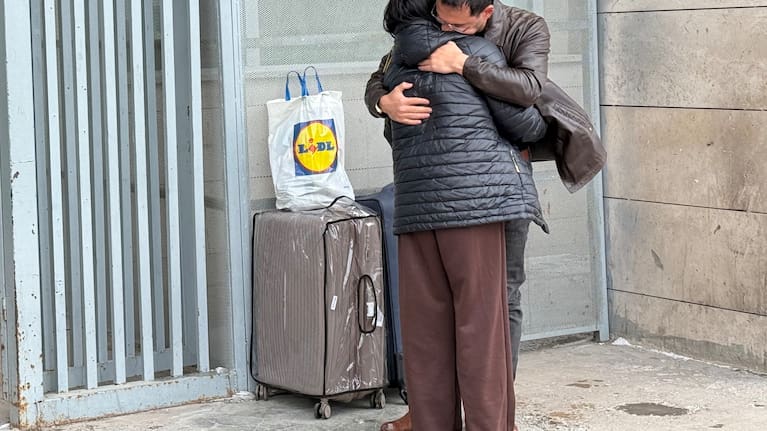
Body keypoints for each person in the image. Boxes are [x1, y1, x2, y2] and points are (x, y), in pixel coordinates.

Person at [366, 1, 552, 430]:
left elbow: (531, 86)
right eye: (439, 18)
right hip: (483, 194)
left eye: (456, 23)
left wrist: (464, 66)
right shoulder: (410, 49)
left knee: (476, 308)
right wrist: (383, 103)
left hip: (439, 197)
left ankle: (450, 416)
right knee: (482, 321)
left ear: (486, 12)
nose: (445, 26)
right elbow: (530, 124)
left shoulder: (525, 28)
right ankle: (491, 419)